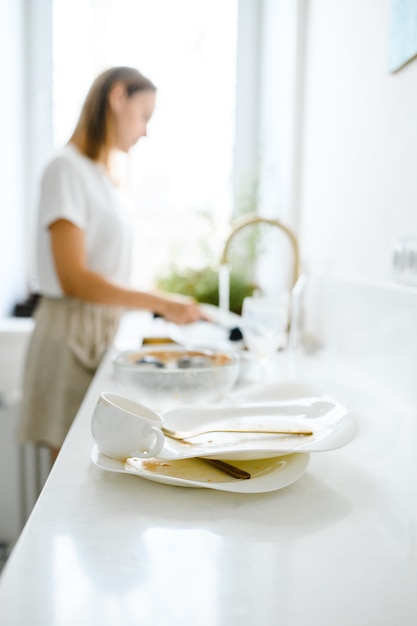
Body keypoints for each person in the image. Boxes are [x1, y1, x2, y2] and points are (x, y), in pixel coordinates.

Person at [18, 66, 205, 461]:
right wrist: (159, 301)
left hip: (100, 330)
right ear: (117, 97)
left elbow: (107, 268)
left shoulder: (105, 179)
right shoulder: (65, 169)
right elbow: (75, 279)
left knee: (92, 464)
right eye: (144, 115)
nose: (146, 130)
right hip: (70, 333)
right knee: (68, 473)